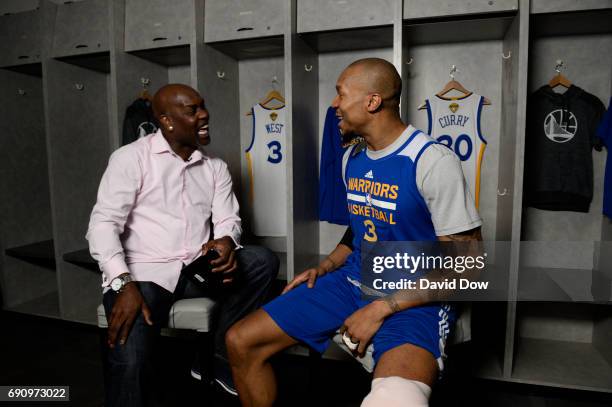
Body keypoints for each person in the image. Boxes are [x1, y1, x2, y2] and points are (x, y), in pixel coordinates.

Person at [226, 58, 482, 407]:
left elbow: (468, 266)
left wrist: (381, 308)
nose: (334, 105)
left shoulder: (432, 161)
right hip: (352, 280)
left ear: (372, 102)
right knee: (241, 341)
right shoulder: (353, 159)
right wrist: (327, 265)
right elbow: (364, 224)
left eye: (340, 94)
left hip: (412, 298)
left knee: (394, 399)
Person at [87, 84, 278, 407]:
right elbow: (102, 226)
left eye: (203, 106)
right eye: (192, 110)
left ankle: (217, 358)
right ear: (166, 120)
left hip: (193, 269)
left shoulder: (214, 167)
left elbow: (228, 219)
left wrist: (226, 241)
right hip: (144, 276)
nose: (204, 115)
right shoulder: (131, 158)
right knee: (130, 362)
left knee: (262, 261)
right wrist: (122, 283)